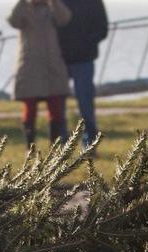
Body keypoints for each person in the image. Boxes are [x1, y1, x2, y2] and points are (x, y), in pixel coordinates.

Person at [11, 0, 74, 149]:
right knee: (30, 108)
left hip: (52, 66)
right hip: (30, 66)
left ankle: (55, 147)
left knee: (56, 108)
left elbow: (65, 18)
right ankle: (30, 147)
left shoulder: (53, 9)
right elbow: (13, 20)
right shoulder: (24, 9)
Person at [56, 0, 108, 150]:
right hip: (60, 59)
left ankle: (89, 144)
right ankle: (61, 146)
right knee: (59, 105)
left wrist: (87, 43)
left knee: (85, 104)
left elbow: (102, 28)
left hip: (83, 58)